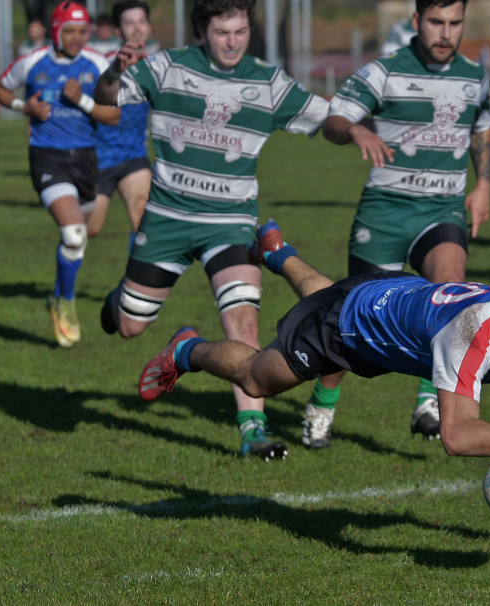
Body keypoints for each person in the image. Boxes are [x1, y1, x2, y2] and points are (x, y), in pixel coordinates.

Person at [139, 220, 490, 525]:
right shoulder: (473, 333)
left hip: (392, 305)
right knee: (260, 379)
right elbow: (455, 436)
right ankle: (186, 349)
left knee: (326, 293)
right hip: (351, 326)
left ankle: (279, 250)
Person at [93, 0, 330, 459]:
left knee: (243, 321)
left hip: (231, 223)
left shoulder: (266, 81)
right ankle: (121, 301)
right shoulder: (167, 67)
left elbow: (327, 117)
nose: (233, 41)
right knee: (128, 326)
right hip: (167, 220)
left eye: (241, 31)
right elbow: (105, 98)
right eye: (223, 31)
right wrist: (111, 71)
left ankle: (252, 430)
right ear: (202, 30)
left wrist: (361, 128)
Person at [309, 0, 490, 450]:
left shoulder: (474, 76)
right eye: (436, 22)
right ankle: (322, 400)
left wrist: (484, 184)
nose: (445, 33)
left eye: (455, 23)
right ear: (416, 22)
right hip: (385, 211)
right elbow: (333, 120)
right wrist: (356, 130)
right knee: (352, 325)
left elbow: (482, 128)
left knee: (452, 292)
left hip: (442, 210)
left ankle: (429, 403)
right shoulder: (384, 71)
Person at [0, 1, 120, 348]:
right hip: (48, 159)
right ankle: (65, 301)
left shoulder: (97, 63)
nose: (77, 38)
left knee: (86, 233)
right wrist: (25, 107)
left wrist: (83, 101)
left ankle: (57, 293)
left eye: (82, 31)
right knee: (74, 233)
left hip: (86, 160)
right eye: (70, 31)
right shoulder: (33, 61)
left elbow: (113, 115)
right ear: (56, 32)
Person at [85, 0, 159, 244]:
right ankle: (63, 284)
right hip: (97, 156)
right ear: (118, 31)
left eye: (141, 21)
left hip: (133, 154)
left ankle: (133, 284)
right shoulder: (101, 63)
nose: (137, 28)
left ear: (149, 26)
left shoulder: (157, 65)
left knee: (143, 221)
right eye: (129, 23)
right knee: (83, 231)